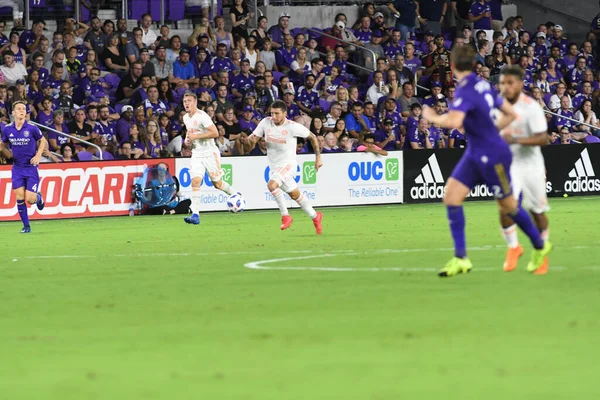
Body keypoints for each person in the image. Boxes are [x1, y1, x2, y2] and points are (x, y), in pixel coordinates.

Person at [421, 46, 551, 277]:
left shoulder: (466, 89)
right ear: (473, 64)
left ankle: (540, 246)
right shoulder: (483, 84)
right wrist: (488, 129)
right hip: (475, 152)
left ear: (452, 67)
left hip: (493, 155)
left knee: (510, 207)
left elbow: (454, 121)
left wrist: (432, 117)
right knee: (451, 197)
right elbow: (511, 114)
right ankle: (461, 258)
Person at [497, 65, 551, 275]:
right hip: (508, 164)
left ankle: (541, 253)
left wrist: (517, 139)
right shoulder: (496, 107)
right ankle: (513, 247)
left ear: (520, 84)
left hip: (531, 165)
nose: (506, 87)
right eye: (503, 83)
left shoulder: (531, 107)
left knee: (536, 211)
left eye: (510, 83)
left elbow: (543, 138)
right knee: (505, 207)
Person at [244, 100, 324, 234]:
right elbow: (252, 141)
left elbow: (313, 137)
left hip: (289, 165)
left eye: (277, 114)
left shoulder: (292, 127)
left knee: (272, 185)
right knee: (295, 194)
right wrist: (248, 142)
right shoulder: (265, 123)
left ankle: (285, 216)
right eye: (272, 113)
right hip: (275, 167)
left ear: (284, 114)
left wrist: (318, 157)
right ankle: (315, 217)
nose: (273, 116)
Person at [182, 92, 241, 225]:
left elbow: (214, 132)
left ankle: (235, 194)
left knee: (217, 184)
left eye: (189, 101)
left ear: (195, 102)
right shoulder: (186, 118)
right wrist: (188, 141)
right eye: (185, 101)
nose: (186, 103)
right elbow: (190, 132)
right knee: (195, 182)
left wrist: (196, 137)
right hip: (197, 153)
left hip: (210, 153)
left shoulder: (203, 116)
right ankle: (195, 214)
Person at [0, 101, 47, 233]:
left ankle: (38, 198)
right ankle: (26, 226)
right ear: (13, 113)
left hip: (31, 167)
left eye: (24, 109)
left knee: (30, 199)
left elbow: (43, 140)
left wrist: (38, 156)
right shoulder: (8, 129)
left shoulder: (32, 128)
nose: (22, 111)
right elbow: (3, 143)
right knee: (19, 197)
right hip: (17, 168)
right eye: (19, 109)